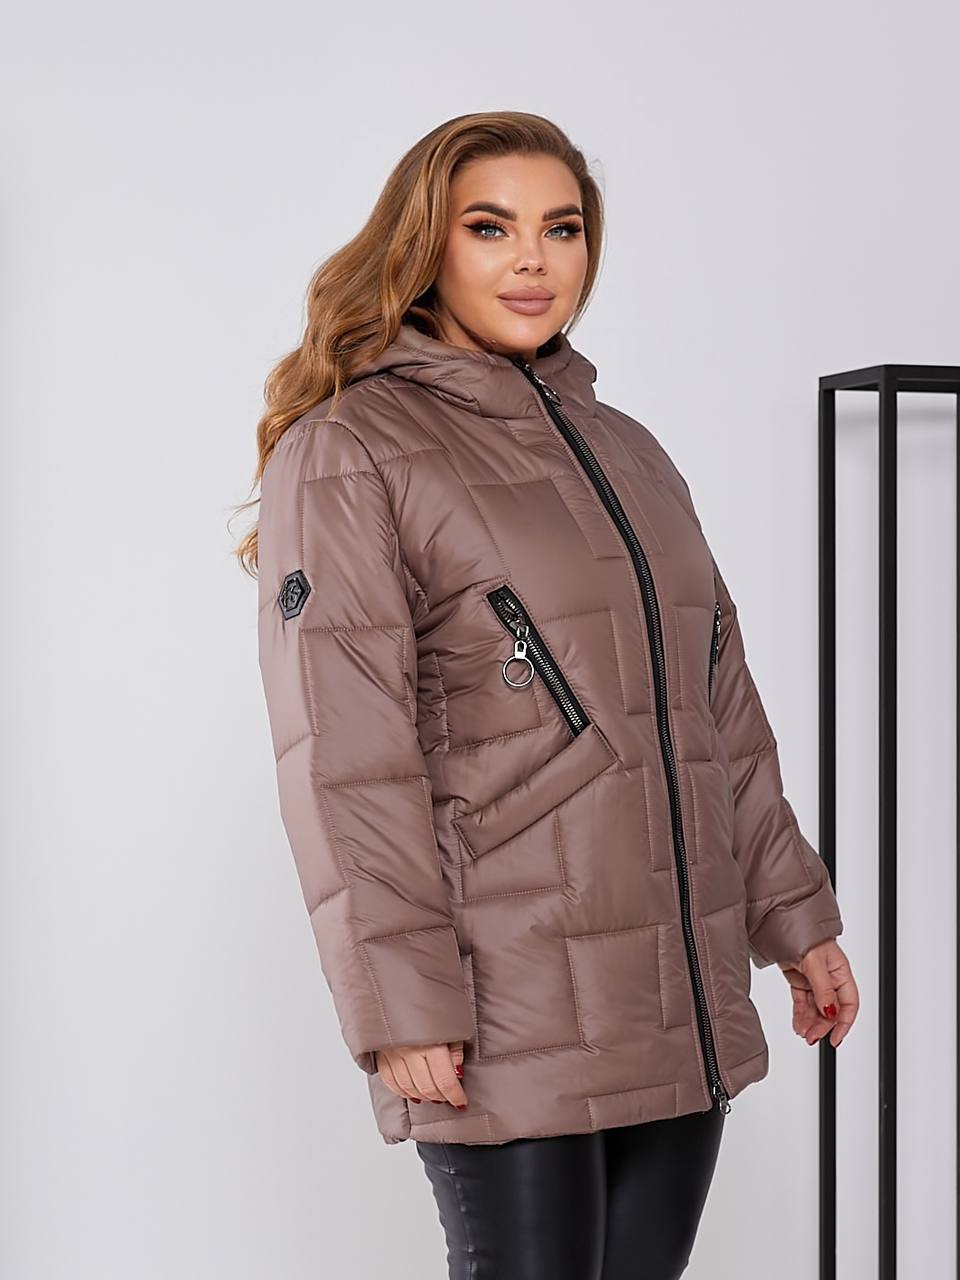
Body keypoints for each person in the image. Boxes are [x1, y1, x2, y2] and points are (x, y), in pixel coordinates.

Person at [236, 111, 860, 1279]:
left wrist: (797, 917)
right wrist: (400, 1001)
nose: (533, 259)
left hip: (672, 988)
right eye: (491, 227)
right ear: (427, 244)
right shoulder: (350, 449)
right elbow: (344, 755)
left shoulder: (630, 450)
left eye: (561, 229)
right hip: (504, 993)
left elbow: (718, 710)